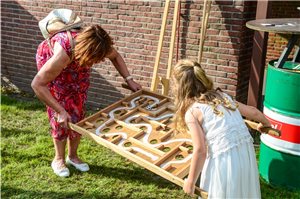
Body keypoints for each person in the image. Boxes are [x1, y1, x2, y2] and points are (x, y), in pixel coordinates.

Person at [31, 25, 142, 177]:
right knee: (60, 118)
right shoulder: (61, 55)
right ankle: (59, 159)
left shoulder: (98, 44)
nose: (100, 61)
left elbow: (115, 56)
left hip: (77, 61)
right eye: (97, 59)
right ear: (88, 53)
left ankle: (73, 157)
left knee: (77, 113)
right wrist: (60, 111)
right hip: (54, 69)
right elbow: (37, 85)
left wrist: (129, 80)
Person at [172, 59, 271, 198]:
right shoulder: (223, 97)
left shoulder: (193, 112)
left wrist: (190, 180)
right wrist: (265, 123)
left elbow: (200, 150)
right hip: (244, 154)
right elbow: (253, 112)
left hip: (223, 161)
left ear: (180, 86)